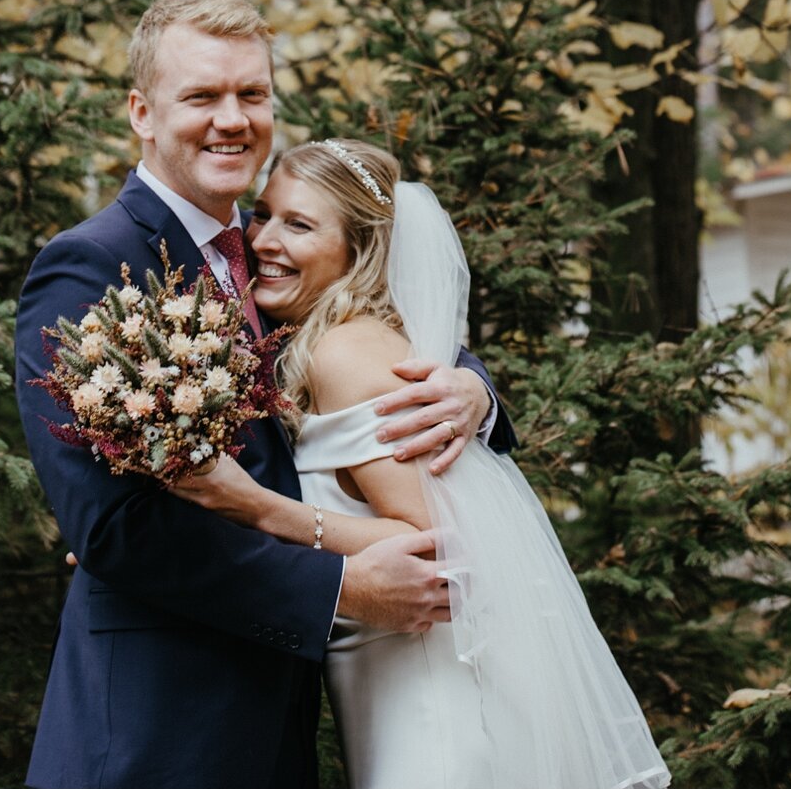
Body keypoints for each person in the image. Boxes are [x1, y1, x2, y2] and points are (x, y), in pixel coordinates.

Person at [13, 0, 516, 787]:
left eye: (252, 94)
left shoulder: (272, 247)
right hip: (158, 725)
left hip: (283, 724)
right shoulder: (90, 266)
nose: (232, 118)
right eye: (203, 96)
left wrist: (473, 390)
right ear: (143, 112)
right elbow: (112, 529)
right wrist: (341, 587)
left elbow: (388, 326)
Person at [168, 138, 670, 789]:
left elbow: (437, 551)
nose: (263, 239)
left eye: (300, 224)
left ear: (360, 249)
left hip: (430, 697)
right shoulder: (329, 341)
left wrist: (260, 509)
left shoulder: (346, 354)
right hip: (389, 684)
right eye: (263, 214)